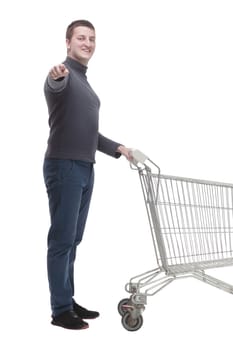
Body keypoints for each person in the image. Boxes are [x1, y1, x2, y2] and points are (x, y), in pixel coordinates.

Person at [43, 19, 132, 330]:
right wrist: (55, 79)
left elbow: (89, 133)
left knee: (73, 239)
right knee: (62, 240)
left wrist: (118, 148)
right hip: (64, 165)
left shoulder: (85, 81)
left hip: (84, 166)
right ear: (68, 42)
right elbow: (54, 87)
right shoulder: (64, 75)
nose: (88, 43)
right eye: (81, 38)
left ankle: (69, 299)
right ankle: (60, 311)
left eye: (92, 38)